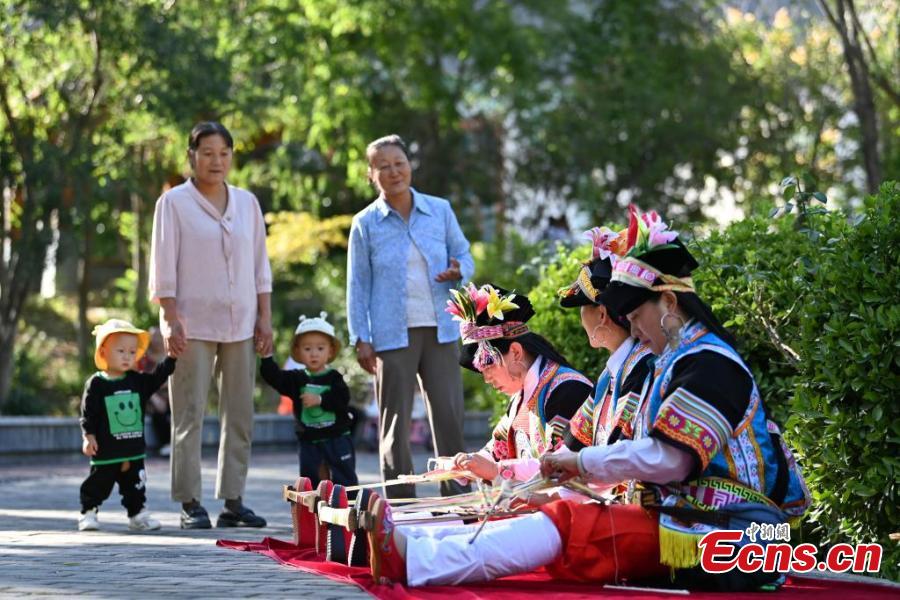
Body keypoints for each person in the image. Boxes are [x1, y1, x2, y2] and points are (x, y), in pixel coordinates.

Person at [364, 206, 812, 591]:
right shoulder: (670, 364)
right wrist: (548, 472)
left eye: (637, 316)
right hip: (690, 523)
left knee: (575, 525)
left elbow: (671, 461)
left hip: (734, 538)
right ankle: (416, 552)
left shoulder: (712, 365)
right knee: (565, 518)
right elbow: (601, 458)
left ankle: (417, 560)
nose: (633, 330)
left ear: (670, 303)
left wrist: (577, 467)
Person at [149, 121, 272, 529]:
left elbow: (260, 267)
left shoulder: (248, 203)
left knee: (239, 414)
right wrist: (169, 319)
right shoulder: (174, 204)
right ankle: (189, 502)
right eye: (207, 153)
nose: (216, 161)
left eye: (223, 153)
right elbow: (163, 266)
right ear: (192, 156)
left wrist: (265, 319)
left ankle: (233, 500)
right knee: (189, 414)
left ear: (232, 157)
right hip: (192, 325)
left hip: (241, 324)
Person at [346, 134, 473, 498]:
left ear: (409, 165)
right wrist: (361, 337)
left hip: (441, 328)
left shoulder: (440, 210)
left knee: (449, 419)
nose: (393, 171)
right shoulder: (365, 223)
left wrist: (458, 268)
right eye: (382, 166)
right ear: (371, 174)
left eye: (399, 163)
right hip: (390, 334)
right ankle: (400, 504)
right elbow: (358, 285)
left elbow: (464, 255)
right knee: (395, 425)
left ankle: (458, 497)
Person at [448, 284, 592, 483]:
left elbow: (560, 465)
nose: (487, 378)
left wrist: (497, 470)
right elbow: (495, 451)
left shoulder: (568, 389)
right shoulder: (521, 397)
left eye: (488, 365)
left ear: (516, 352)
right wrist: (470, 464)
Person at [557, 226, 653, 451]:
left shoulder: (641, 366)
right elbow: (573, 445)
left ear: (602, 314)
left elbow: (616, 451)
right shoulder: (611, 374)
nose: (581, 319)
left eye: (582, 309)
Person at [78, 319, 176, 532]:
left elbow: (158, 377)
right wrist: (89, 436)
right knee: (98, 484)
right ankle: (89, 511)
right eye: (120, 351)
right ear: (103, 352)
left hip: (133, 450)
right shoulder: (97, 384)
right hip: (106, 451)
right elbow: (88, 414)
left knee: (136, 485)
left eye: (132, 352)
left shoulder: (137, 381)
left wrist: (172, 358)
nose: (127, 356)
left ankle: (137, 514)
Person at [260, 313, 358, 489]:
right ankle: (312, 510)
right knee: (310, 480)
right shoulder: (296, 379)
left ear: (330, 352)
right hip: (309, 441)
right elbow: (275, 378)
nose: (314, 354)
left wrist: (320, 399)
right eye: (307, 349)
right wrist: (266, 357)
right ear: (298, 352)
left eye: (320, 348)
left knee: (344, 478)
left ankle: (347, 507)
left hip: (336, 437)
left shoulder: (334, 378)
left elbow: (342, 399)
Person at [137, 326, 172, 457]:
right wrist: (154, 396)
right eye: (154, 338)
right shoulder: (143, 359)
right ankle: (165, 443)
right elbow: (140, 380)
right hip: (151, 395)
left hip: (169, 394)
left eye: (159, 337)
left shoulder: (170, 355)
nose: (156, 340)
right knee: (159, 410)